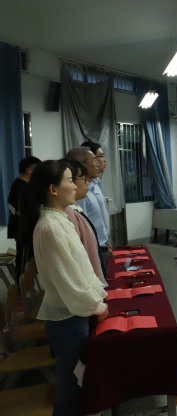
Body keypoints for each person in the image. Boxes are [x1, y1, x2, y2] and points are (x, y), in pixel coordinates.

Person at [17, 160, 108, 416]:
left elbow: (83, 269)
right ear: (53, 189)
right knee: (72, 390)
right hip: (68, 320)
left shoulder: (60, 220)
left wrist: (98, 296)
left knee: (79, 386)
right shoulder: (50, 227)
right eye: (70, 180)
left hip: (76, 314)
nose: (76, 186)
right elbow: (69, 282)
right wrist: (96, 305)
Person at [66, 146, 110, 276]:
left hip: (100, 244)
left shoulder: (92, 185)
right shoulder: (80, 193)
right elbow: (83, 229)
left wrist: (106, 240)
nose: (98, 164)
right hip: (92, 248)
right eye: (94, 160)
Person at [7, 155, 41, 283]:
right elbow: (20, 211)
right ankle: (21, 289)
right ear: (29, 170)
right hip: (24, 229)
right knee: (24, 260)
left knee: (29, 259)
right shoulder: (20, 185)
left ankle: (27, 287)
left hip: (26, 228)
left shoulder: (24, 184)